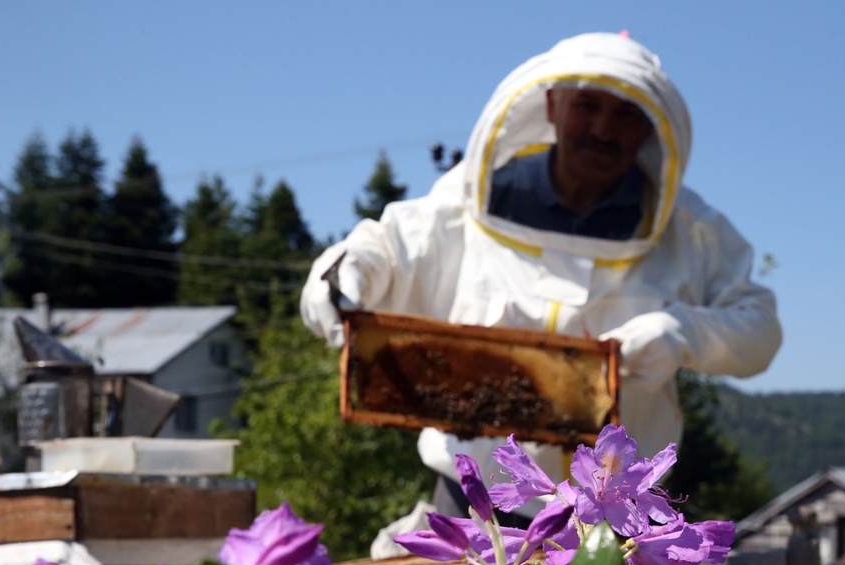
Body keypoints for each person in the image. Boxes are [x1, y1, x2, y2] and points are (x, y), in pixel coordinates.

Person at [301, 32, 782, 520]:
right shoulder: (468, 198)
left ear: (649, 130)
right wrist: (342, 279)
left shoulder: (690, 228)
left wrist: (682, 333)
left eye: (626, 115)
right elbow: (384, 249)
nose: (603, 128)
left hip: (614, 517)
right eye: (587, 105)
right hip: (475, 507)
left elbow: (760, 327)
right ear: (552, 105)